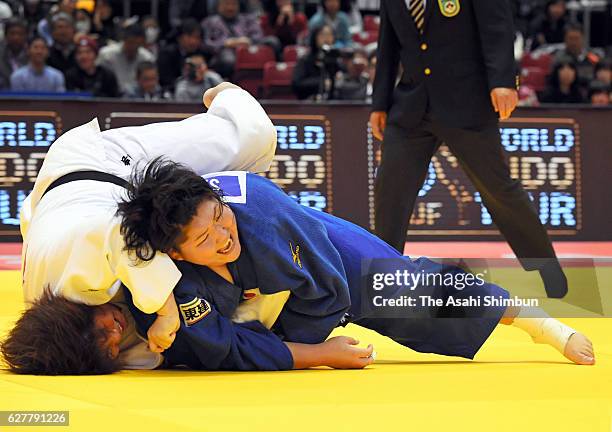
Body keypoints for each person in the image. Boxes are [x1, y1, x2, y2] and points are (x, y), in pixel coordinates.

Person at [1, 162, 594, 374]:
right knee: (216, 341)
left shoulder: (254, 209)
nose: (220, 239)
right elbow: (225, 349)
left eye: (218, 223)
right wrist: (301, 354)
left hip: (317, 259)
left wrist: (314, 344)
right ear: (175, 253)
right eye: (205, 241)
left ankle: (537, 321)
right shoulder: (145, 285)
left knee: (401, 289)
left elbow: (329, 292)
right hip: (254, 308)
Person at [18, 82, 276, 356]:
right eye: (110, 347)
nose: (115, 332)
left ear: (69, 317)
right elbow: (154, 350)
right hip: (67, 207)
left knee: (254, 141)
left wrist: (167, 314)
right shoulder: (78, 343)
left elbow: (119, 233)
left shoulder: (66, 271)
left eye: (102, 333)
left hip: (104, 164)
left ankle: (224, 95)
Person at [369, 0, 569, 298]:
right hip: (410, 106)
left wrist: (503, 80)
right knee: (390, 189)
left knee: (499, 189)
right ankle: (384, 280)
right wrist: (379, 103)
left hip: (467, 102)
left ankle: (547, 267)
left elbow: (498, 26)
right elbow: (387, 48)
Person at [201, 0, 264, 78]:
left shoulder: (248, 19)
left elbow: (258, 36)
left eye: (233, 4)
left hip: (248, 49)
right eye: (226, 4)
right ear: (218, 6)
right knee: (228, 58)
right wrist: (225, 43)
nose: (230, 8)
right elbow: (205, 43)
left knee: (271, 42)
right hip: (221, 55)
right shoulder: (209, 22)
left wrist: (248, 40)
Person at [97, 23, 155, 95]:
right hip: (110, 97)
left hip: (138, 100)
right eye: (131, 42)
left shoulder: (147, 58)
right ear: (124, 39)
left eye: (138, 44)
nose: (134, 46)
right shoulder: (106, 55)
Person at [291, 24, 337, 100]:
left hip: (333, 104)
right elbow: (297, 83)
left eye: (330, 35)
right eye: (323, 35)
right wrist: (321, 82)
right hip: (309, 102)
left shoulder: (336, 60)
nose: (326, 38)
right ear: (315, 37)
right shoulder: (305, 60)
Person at [157, 18, 204, 92]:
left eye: (197, 38)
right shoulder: (167, 54)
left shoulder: (202, 54)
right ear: (179, 37)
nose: (193, 41)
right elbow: (165, 81)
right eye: (189, 36)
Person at [0, 18, 28, 90]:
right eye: (12, 33)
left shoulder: (32, 55)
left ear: (25, 36)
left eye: (20, 34)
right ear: (5, 36)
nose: (16, 37)